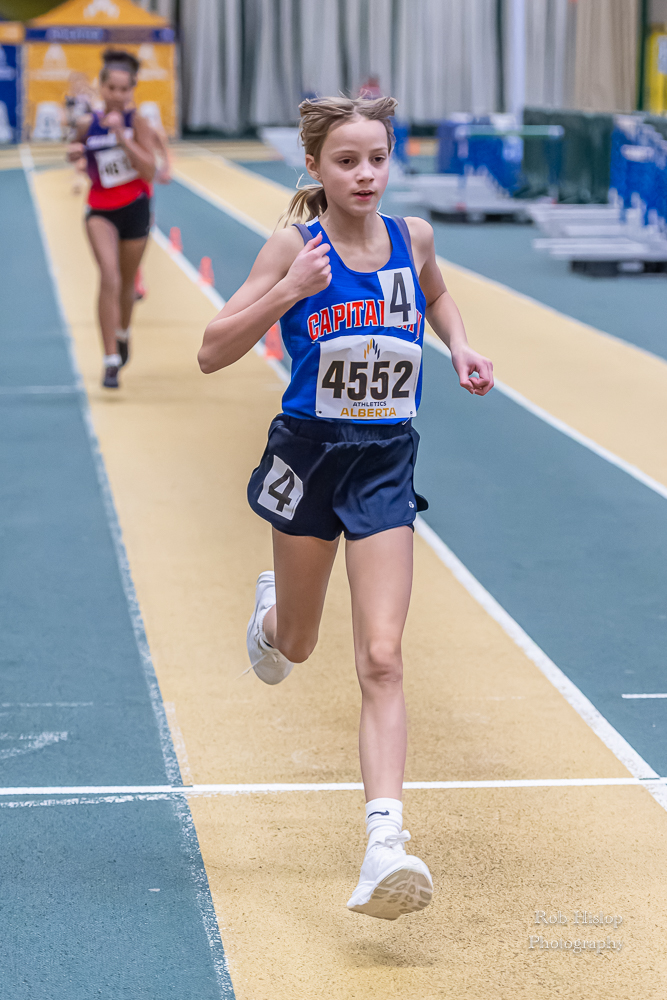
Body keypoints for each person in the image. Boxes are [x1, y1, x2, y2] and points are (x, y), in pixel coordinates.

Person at [198, 96, 494, 920]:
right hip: (308, 456)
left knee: (383, 655)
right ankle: (271, 618)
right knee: (296, 644)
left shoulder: (413, 238)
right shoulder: (293, 247)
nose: (365, 175)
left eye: (377, 159)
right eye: (346, 162)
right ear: (315, 168)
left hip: (384, 461)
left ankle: (384, 843)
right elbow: (212, 350)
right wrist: (288, 290)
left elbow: (437, 295)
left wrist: (459, 344)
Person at [67, 49, 155, 389]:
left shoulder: (138, 122)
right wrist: (74, 153)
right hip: (100, 210)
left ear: (131, 91)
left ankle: (123, 332)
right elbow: (75, 150)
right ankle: (109, 360)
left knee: (128, 283)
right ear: (101, 88)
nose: (117, 94)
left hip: (134, 206)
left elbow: (149, 170)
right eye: (111, 88)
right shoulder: (87, 123)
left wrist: (122, 138)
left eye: (124, 89)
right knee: (109, 275)